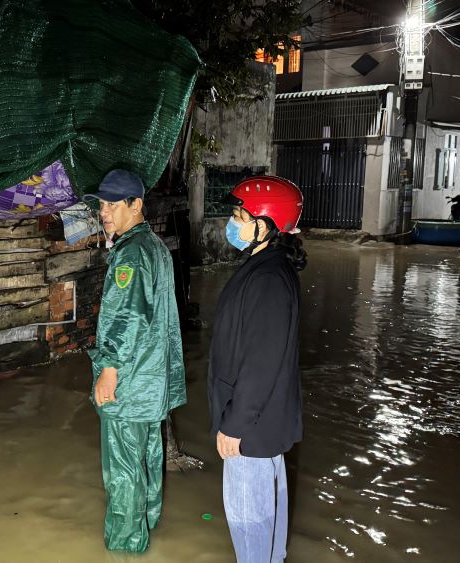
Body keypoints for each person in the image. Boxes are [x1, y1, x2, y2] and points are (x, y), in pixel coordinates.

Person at [84, 169, 187, 553]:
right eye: (101, 204)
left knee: (124, 471)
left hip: (129, 385)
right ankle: (148, 526)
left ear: (136, 204)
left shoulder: (131, 254)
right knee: (147, 457)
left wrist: (108, 371)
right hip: (151, 383)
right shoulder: (156, 248)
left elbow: (126, 317)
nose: (104, 212)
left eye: (112, 204)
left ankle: (125, 547)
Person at [209, 176, 306, 563]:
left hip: (250, 431)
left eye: (238, 215)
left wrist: (234, 426)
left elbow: (262, 360)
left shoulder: (268, 278)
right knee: (268, 534)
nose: (231, 224)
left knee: (251, 531)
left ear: (264, 226)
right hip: (262, 428)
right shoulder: (267, 267)